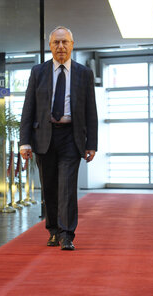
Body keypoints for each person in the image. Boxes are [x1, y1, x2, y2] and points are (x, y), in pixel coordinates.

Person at [19, 26, 98, 251]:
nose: (61, 47)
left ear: (72, 45)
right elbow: (28, 109)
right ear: (50, 46)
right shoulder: (38, 72)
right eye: (56, 43)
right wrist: (25, 141)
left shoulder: (84, 73)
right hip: (44, 136)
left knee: (67, 188)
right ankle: (53, 230)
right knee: (50, 188)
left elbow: (91, 109)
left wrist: (91, 143)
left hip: (71, 137)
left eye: (65, 42)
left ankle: (67, 234)